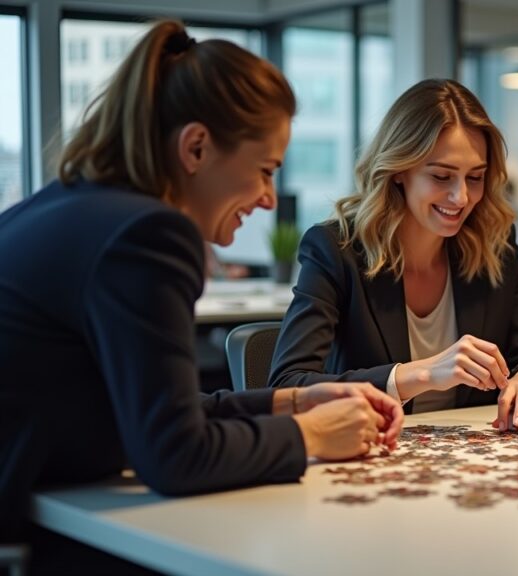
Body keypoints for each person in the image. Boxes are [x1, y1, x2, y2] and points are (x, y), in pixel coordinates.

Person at [0, 20, 403, 569]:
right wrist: (308, 435)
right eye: (264, 171)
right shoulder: (148, 234)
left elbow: (163, 412)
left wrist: (291, 400)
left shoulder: (70, 202)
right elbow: (174, 456)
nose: (267, 199)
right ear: (195, 147)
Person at [268, 79, 518, 432]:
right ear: (398, 171)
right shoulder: (336, 249)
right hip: (371, 452)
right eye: (442, 176)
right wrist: (420, 374)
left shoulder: (495, 246)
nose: (461, 197)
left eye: (475, 177)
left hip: (472, 459)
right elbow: (288, 385)